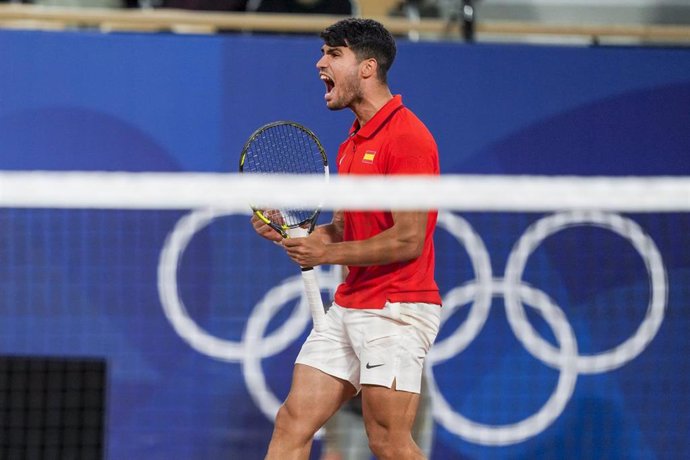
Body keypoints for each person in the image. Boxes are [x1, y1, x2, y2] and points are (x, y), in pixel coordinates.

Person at [251, 18, 441, 460]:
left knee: (387, 441)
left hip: (397, 309)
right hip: (351, 302)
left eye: (334, 54)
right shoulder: (353, 142)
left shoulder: (408, 138)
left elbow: (408, 239)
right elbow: (343, 228)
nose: (320, 63)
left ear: (368, 67)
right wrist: (293, 232)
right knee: (293, 421)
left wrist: (329, 251)